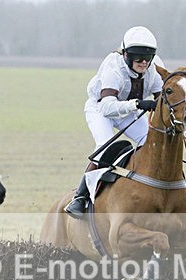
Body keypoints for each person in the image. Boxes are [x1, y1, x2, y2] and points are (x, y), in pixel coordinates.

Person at [64, 26, 164, 218]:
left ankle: (160, 196)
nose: (144, 62)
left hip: (130, 112)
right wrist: (138, 104)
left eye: (148, 57)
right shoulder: (114, 66)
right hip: (100, 109)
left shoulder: (154, 67)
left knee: (153, 144)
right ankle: (80, 197)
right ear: (126, 54)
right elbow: (107, 107)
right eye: (138, 57)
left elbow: (162, 99)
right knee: (104, 146)